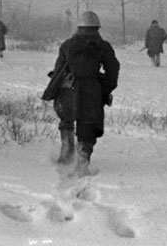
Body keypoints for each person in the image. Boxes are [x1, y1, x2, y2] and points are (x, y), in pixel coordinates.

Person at [44, 11, 120, 177]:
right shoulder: (103, 46)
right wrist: (104, 89)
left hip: (67, 89)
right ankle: (82, 160)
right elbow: (113, 71)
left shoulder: (67, 45)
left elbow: (59, 70)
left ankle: (66, 151)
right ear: (97, 27)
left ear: (79, 27)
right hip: (91, 91)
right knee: (88, 124)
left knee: (66, 119)